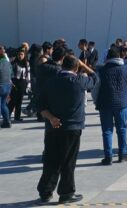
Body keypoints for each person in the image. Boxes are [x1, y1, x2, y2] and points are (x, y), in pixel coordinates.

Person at [36, 55, 98, 205]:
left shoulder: (50, 82)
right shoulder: (79, 81)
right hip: (72, 127)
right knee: (68, 161)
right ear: (76, 67)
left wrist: (51, 118)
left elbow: (41, 106)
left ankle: (45, 191)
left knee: (51, 160)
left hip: (53, 126)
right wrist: (84, 65)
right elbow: (96, 78)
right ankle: (66, 192)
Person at [93, 48, 127, 165]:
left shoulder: (101, 70)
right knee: (122, 129)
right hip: (122, 104)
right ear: (119, 57)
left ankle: (108, 157)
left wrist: (96, 101)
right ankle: (122, 154)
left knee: (107, 131)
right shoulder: (126, 68)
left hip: (105, 104)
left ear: (108, 57)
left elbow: (95, 89)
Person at [9, 49, 31, 122]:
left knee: (19, 100)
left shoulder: (27, 63)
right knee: (12, 101)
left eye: (22, 54)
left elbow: (28, 74)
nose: (20, 56)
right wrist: (10, 83)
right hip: (15, 82)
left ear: (24, 55)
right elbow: (10, 74)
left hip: (23, 82)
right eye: (19, 54)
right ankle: (7, 116)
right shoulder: (13, 63)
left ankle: (17, 117)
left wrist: (28, 85)